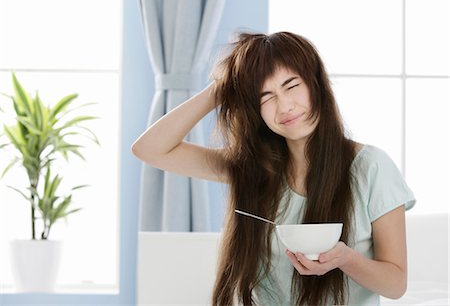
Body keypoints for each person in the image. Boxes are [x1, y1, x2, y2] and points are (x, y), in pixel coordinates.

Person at [132, 31, 416, 305]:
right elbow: (149, 150)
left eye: (292, 86)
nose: (285, 107)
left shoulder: (372, 167)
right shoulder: (252, 168)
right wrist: (220, 89)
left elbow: (395, 284)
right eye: (265, 97)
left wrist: (345, 259)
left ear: (316, 84)